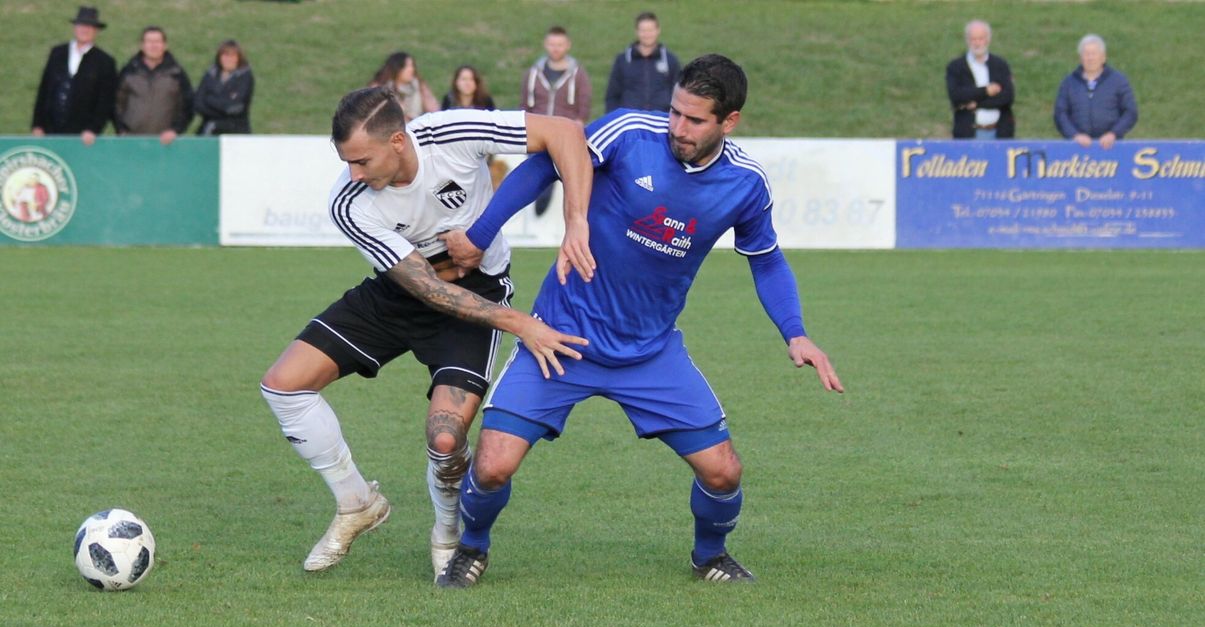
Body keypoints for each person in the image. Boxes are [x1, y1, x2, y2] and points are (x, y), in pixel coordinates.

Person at [435, 54, 843, 588]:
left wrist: (796, 333)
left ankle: (710, 556)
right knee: (491, 466)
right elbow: (544, 164)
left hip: (648, 353)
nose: (679, 127)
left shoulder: (744, 184)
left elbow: (766, 259)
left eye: (695, 120)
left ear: (730, 121)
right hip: (560, 337)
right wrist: (481, 233)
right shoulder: (629, 132)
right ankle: (472, 547)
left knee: (724, 471)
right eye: (675, 112)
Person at [258, 86, 596, 580]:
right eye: (346, 162)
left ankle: (446, 533)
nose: (353, 174)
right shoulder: (349, 202)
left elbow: (565, 132)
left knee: (444, 438)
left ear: (398, 140)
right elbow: (427, 288)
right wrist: (524, 324)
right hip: (399, 293)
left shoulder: (453, 132)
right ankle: (356, 503)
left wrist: (576, 222)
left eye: (361, 160)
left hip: (476, 299)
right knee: (283, 385)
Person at [521, 25, 593, 215]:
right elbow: (525, 104)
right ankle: (534, 216)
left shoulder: (578, 74)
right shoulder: (533, 73)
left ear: (567, 45)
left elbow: (584, 102)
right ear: (546, 44)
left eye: (560, 44)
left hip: (564, 135)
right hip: (537, 133)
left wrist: (578, 124)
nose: (556, 48)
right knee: (534, 175)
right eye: (552, 44)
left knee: (568, 179)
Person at [30, 6, 118, 147]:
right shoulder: (57, 53)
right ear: (75, 27)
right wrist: (37, 124)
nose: (85, 29)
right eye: (82, 25)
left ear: (96, 31)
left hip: (82, 135)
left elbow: (105, 101)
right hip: (50, 130)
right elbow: (44, 89)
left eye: (90, 26)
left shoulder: (105, 61)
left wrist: (93, 129)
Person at [1054, 34, 1138, 150]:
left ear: (1103, 57)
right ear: (1080, 58)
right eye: (1086, 54)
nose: (1090, 58)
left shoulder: (1118, 81)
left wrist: (1113, 134)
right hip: (1076, 150)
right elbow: (1060, 114)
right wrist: (1074, 135)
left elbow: (1130, 112)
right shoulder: (1069, 83)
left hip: (1112, 148)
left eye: (1094, 54)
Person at [115, 26, 194, 145]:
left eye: (157, 41)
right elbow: (115, 103)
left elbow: (188, 106)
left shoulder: (176, 73)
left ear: (165, 45)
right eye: (149, 41)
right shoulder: (128, 71)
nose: (153, 46)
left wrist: (175, 130)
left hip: (166, 144)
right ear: (142, 45)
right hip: (131, 142)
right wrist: (121, 129)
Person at [945, 19, 1015, 139]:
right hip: (968, 134)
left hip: (999, 133)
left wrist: (976, 104)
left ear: (988, 39)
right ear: (967, 40)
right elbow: (956, 96)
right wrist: (985, 91)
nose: (977, 43)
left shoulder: (1000, 65)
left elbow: (1007, 97)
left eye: (981, 38)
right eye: (973, 39)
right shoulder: (956, 67)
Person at [604, 12, 680, 113]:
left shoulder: (670, 60)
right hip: (630, 121)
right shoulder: (623, 60)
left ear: (658, 30)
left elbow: (679, 94)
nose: (647, 34)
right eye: (643, 30)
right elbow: (612, 95)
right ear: (637, 31)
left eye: (650, 30)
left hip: (661, 120)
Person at [194, 39, 255, 135]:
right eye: (225, 55)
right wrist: (223, 107)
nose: (228, 59)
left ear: (238, 58)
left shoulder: (245, 77)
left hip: (236, 132)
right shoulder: (210, 74)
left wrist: (209, 99)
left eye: (232, 56)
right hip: (208, 130)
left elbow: (235, 107)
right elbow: (198, 103)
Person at [370, 52, 439, 120]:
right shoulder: (380, 89)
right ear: (397, 68)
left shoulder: (417, 85)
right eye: (407, 66)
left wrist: (423, 91)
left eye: (412, 66)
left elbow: (434, 109)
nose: (412, 69)